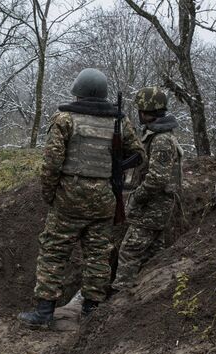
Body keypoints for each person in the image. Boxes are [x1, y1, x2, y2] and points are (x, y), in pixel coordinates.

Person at [17, 68, 144, 328]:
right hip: (104, 198)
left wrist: (50, 194)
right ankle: (91, 312)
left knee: (54, 252)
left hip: (68, 198)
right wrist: (115, 168)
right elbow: (139, 154)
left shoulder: (64, 119)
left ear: (79, 92)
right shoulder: (117, 121)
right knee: (98, 255)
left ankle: (43, 314)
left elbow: (51, 164)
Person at [110, 86, 183, 292]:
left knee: (130, 250)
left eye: (141, 109)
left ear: (146, 111)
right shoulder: (158, 135)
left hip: (154, 206)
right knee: (153, 252)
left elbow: (157, 179)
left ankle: (118, 297)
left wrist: (136, 197)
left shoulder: (161, 139)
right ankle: (148, 294)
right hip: (156, 205)